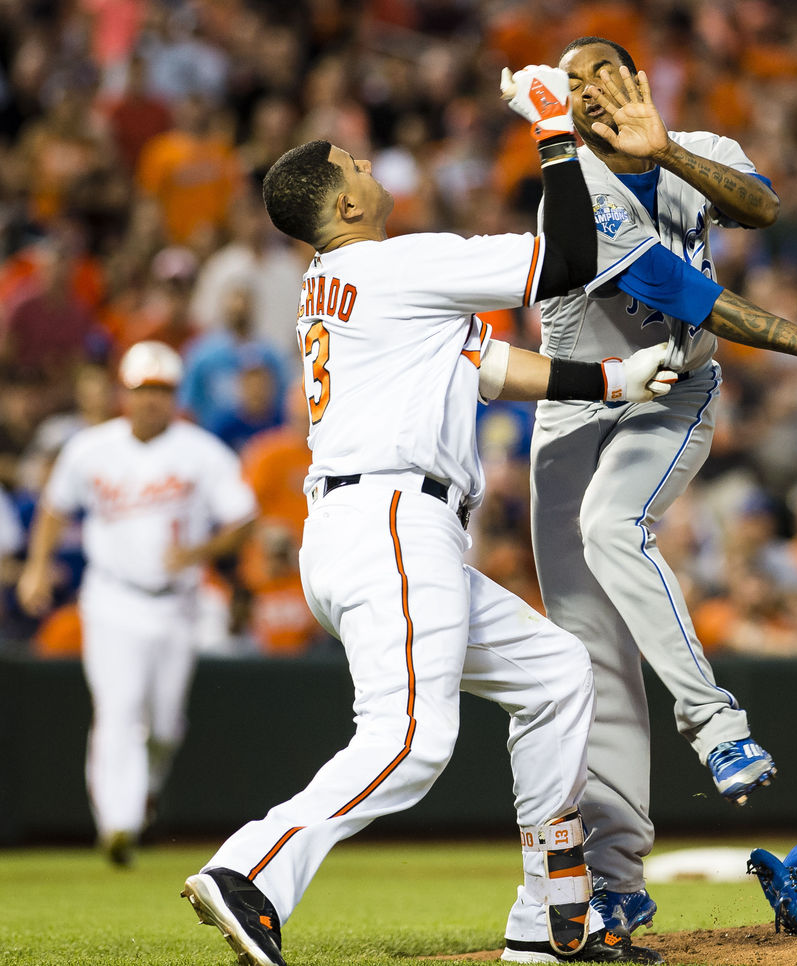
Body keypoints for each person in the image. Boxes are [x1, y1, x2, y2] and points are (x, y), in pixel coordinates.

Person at [172, 66, 672, 966]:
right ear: (345, 204)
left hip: (373, 524)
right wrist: (556, 131)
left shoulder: (347, 283)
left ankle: (549, 912)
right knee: (410, 737)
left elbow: (486, 364)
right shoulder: (393, 263)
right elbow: (564, 263)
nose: (368, 163)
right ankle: (250, 868)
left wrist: (608, 381)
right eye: (352, 161)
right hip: (393, 516)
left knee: (557, 674)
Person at [529, 37, 797, 938]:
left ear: (638, 80)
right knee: (587, 656)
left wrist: (669, 152)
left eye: (603, 70)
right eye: (571, 83)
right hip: (576, 408)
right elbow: (685, 291)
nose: (590, 90)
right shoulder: (571, 194)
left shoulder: (701, 148)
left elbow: (761, 208)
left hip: (672, 394)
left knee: (614, 527)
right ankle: (614, 880)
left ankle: (716, 725)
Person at [16, 341, 259, 867]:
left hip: (178, 602)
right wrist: (37, 566)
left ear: (175, 396)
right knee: (117, 710)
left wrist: (200, 550)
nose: (151, 400)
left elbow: (244, 518)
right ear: (123, 394)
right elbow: (55, 509)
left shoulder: (200, 450)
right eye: (142, 389)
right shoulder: (91, 448)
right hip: (112, 598)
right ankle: (118, 826)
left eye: (162, 390)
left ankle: (141, 795)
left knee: (166, 726)